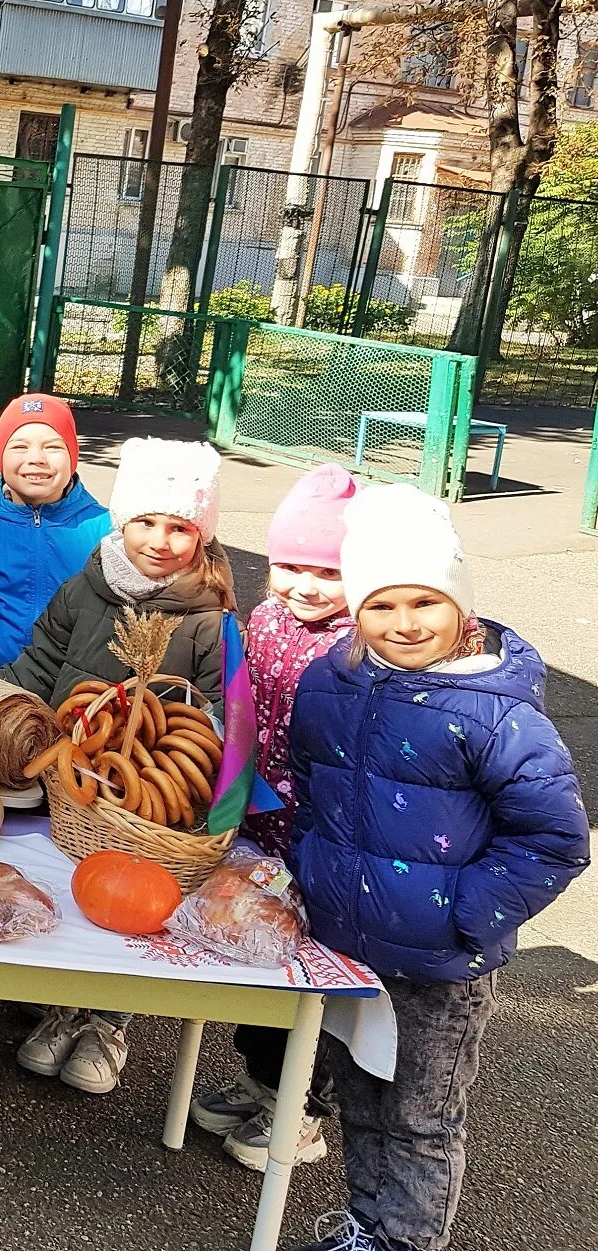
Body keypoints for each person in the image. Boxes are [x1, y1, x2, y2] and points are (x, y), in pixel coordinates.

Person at [287, 484, 588, 1251]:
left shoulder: (495, 710)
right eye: (382, 605)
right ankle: (366, 1226)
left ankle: (405, 1241)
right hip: (348, 945)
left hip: (440, 963)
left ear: (460, 604)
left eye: (424, 600)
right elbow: (313, 789)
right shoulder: (328, 684)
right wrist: (310, 874)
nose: (405, 622)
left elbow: (553, 836)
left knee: (420, 1114)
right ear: (356, 608)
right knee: (360, 1095)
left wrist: (463, 913)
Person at [0, 436, 233, 1095]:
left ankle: (108, 1021)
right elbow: (37, 663)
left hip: (147, 794)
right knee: (69, 897)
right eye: (145, 521)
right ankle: (63, 1004)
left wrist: (178, 766)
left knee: (131, 910)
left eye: (180, 526)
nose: (159, 540)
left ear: (201, 534)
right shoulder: (85, 588)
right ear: (121, 521)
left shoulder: (208, 620)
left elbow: (217, 712)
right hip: (73, 780)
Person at [188, 463, 357, 1171]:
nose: (303, 584)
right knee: (258, 954)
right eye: (289, 564)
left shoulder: (360, 643)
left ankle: (304, 1111)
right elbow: (241, 705)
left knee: (307, 976)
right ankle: (260, 1082)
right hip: (261, 825)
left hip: (322, 836)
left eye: (326, 570)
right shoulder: (262, 619)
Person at [0, 393, 108, 671]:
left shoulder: (104, 528)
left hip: (72, 686)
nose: (36, 459)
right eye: (19, 447)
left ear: (72, 455)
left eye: (53, 446)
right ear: (0, 457)